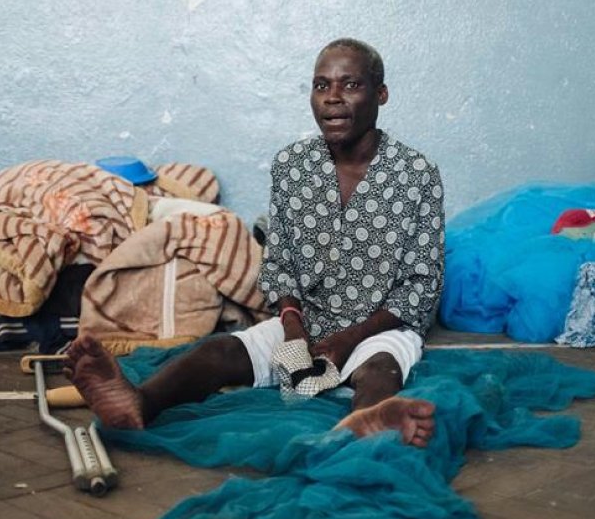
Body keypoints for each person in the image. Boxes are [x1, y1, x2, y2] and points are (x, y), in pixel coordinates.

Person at [65, 38, 445, 447]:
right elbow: (279, 265)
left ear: (381, 94)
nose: (332, 99)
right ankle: (140, 401)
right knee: (220, 353)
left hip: (378, 327)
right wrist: (294, 328)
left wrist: (346, 340)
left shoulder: (416, 173)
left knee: (380, 367)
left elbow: (420, 286)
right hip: (308, 319)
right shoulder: (292, 166)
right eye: (321, 86)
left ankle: (366, 418)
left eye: (350, 85)